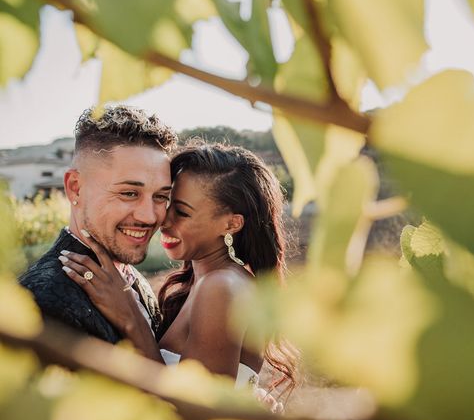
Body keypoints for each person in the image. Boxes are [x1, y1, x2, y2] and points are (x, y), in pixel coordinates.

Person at [60, 141, 298, 395]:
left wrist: (131, 317)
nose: (162, 220)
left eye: (183, 213)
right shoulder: (215, 280)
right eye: (167, 203)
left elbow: (196, 409)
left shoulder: (220, 287)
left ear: (231, 224)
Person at [19, 105, 177, 344]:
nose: (150, 217)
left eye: (161, 196)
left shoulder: (132, 281)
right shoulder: (40, 303)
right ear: (75, 188)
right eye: (129, 193)